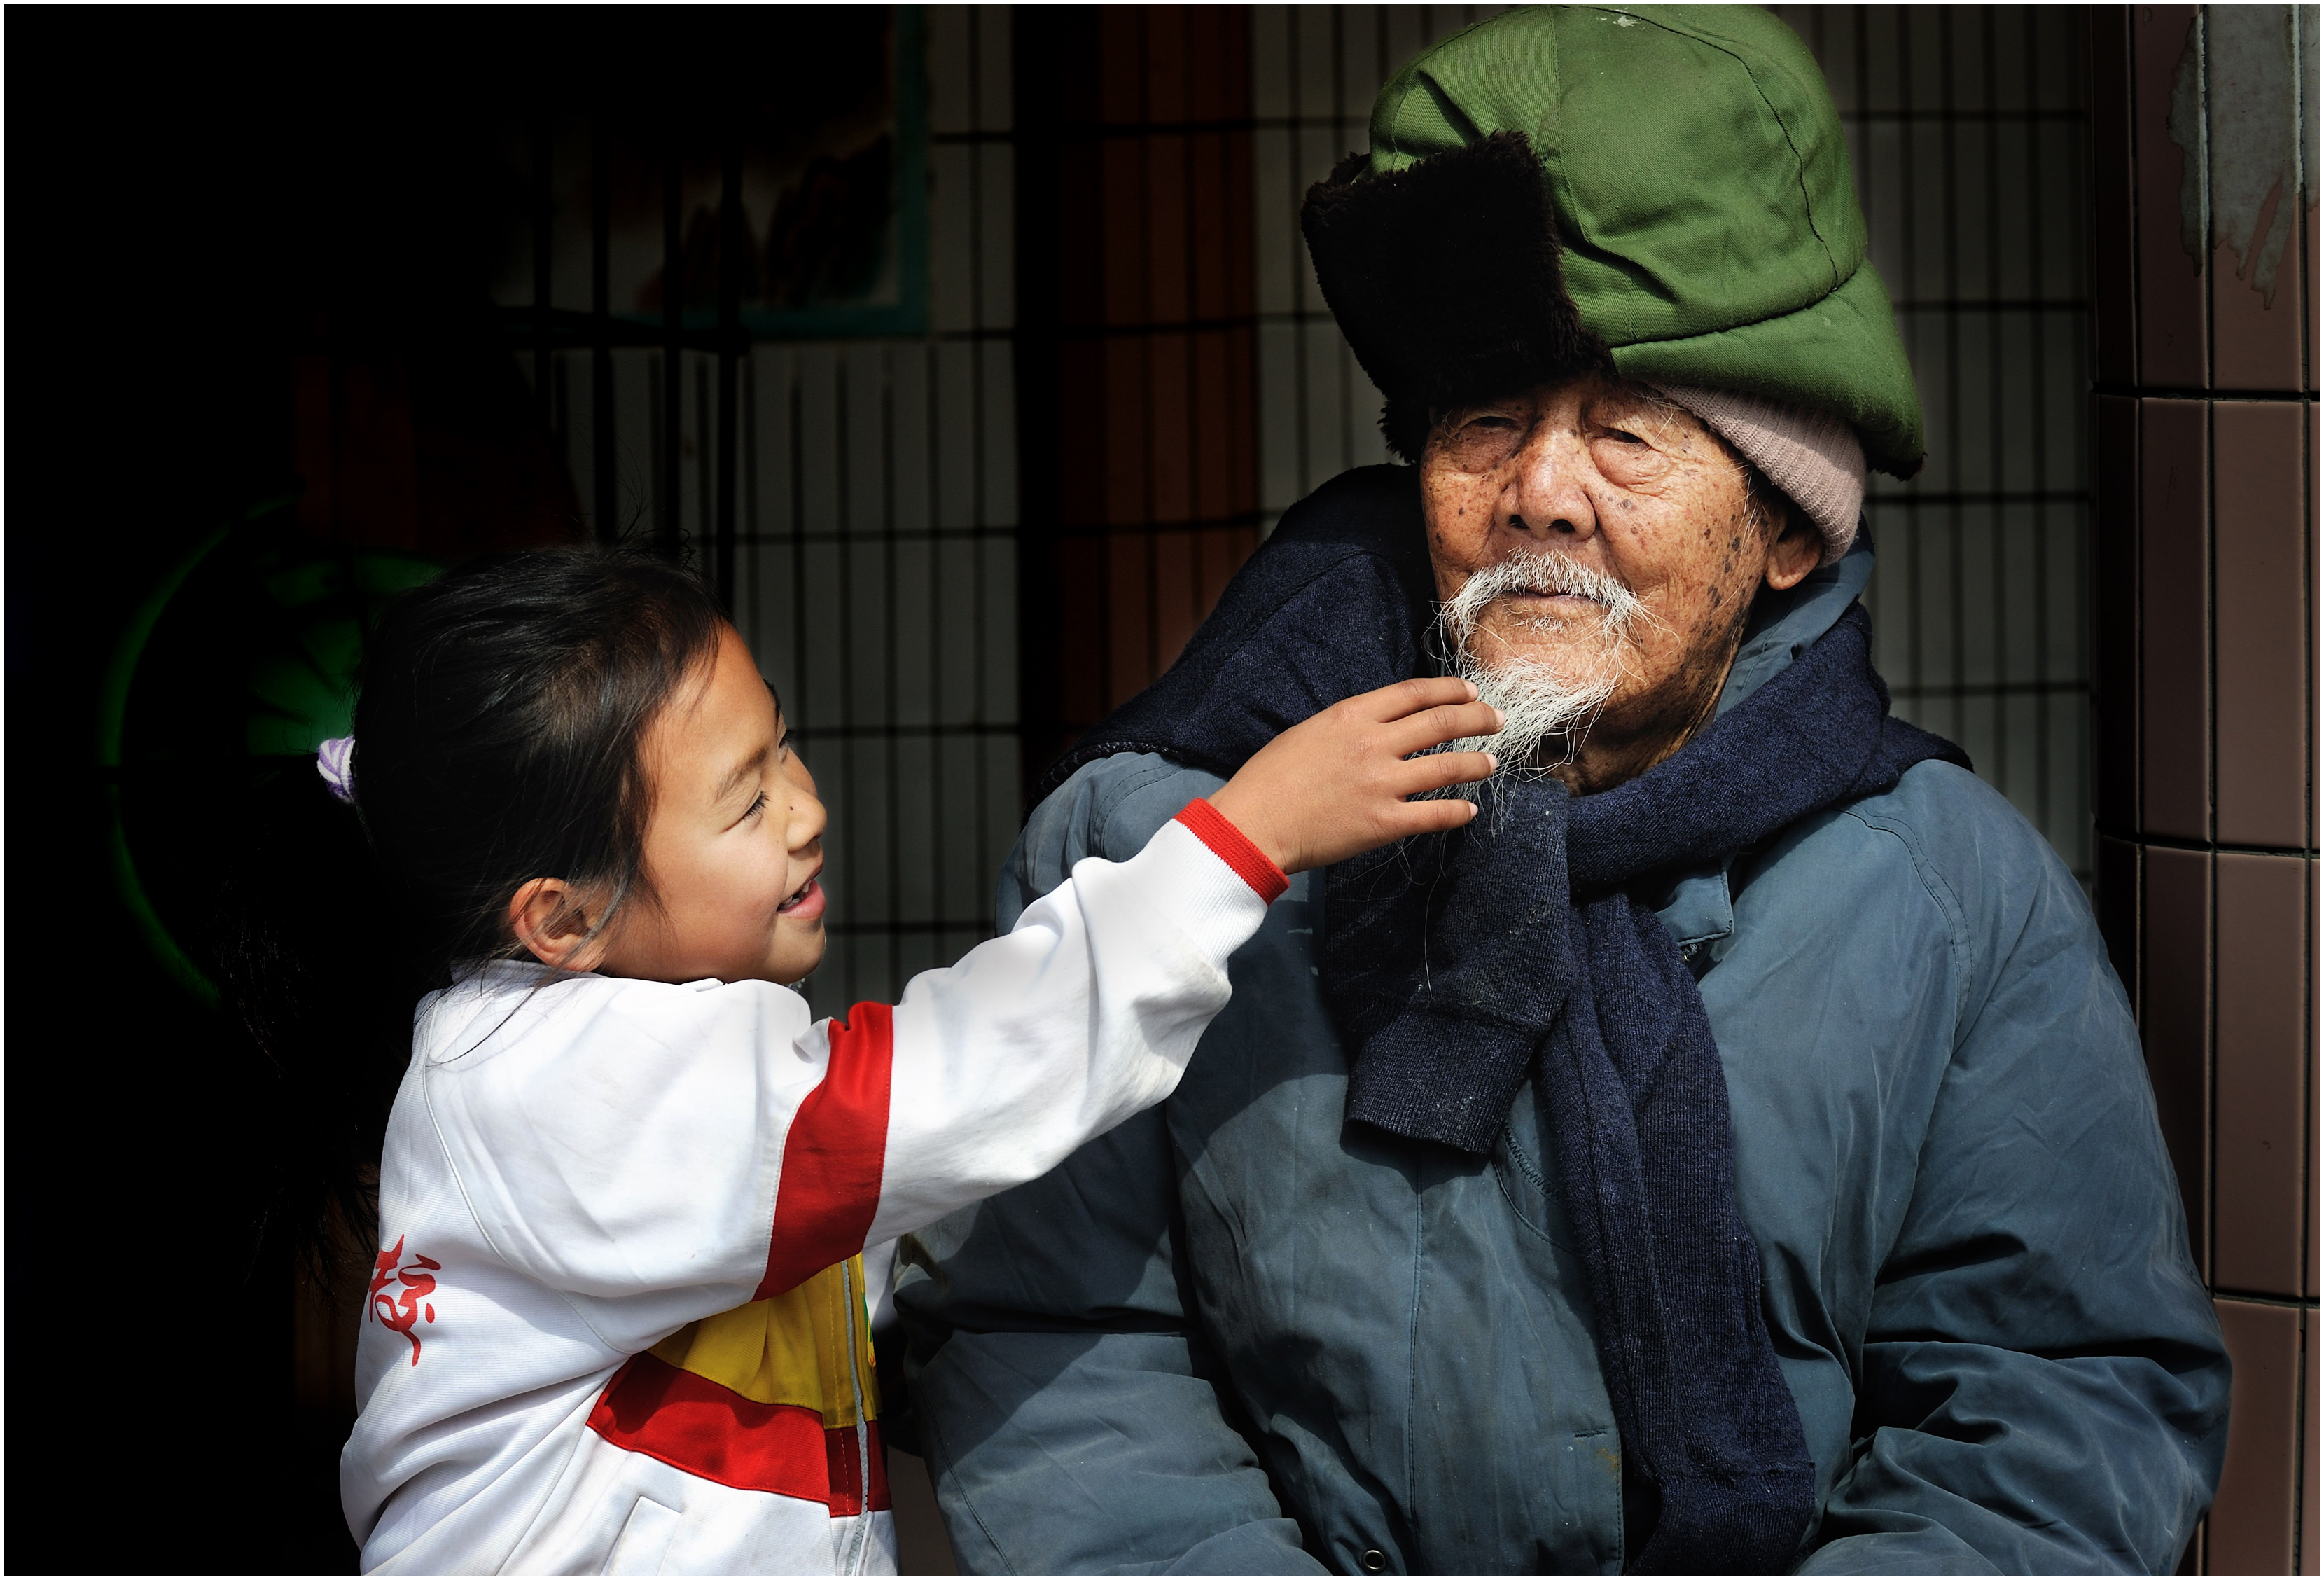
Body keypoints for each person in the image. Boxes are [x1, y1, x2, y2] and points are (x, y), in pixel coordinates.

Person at [896, 8, 2231, 1574]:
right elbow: (1049, 1337)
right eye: (1485, 425)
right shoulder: (1171, 845)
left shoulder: (1947, 896)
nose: (1539, 494)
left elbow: (2053, 1401)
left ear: (1787, 533)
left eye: (1626, 435)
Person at [219, 547, 1502, 1574]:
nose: (806, 805)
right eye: (744, 799)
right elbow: (941, 1096)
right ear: (560, 918)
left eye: (781, 744)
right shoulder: (552, 1083)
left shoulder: (624, 1048)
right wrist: (1245, 837)